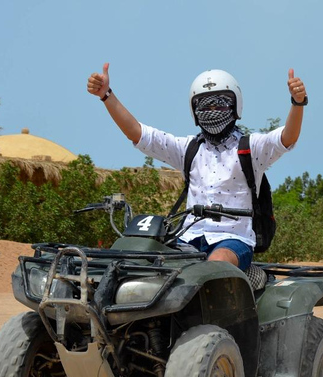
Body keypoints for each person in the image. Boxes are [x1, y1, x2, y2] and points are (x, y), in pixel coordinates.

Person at [87, 64, 307, 270]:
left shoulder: (252, 148)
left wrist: (297, 103)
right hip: (188, 238)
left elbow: (287, 137)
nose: (211, 110)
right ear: (194, 110)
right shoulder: (189, 149)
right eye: (204, 105)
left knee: (215, 265)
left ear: (235, 105)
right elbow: (138, 133)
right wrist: (106, 96)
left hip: (233, 240)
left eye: (219, 103)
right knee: (146, 264)